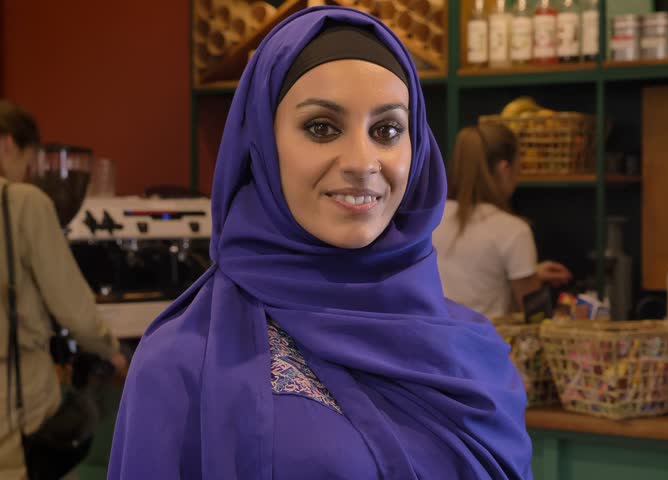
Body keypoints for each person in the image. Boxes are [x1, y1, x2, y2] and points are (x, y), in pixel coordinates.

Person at [108, 7, 532, 480]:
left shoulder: (474, 350)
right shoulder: (183, 361)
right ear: (262, 145)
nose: (362, 161)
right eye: (322, 128)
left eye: (387, 130)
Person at [0, 99, 128, 479]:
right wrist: (113, 351)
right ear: (9, 144)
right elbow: (73, 310)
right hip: (11, 402)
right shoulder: (21, 202)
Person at [433, 124, 572, 319]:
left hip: (432, 345)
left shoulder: (429, 219)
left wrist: (531, 273)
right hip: (485, 346)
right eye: (519, 167)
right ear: (504, 169)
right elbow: (535, 316)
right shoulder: (513, 230)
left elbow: (468, 277)